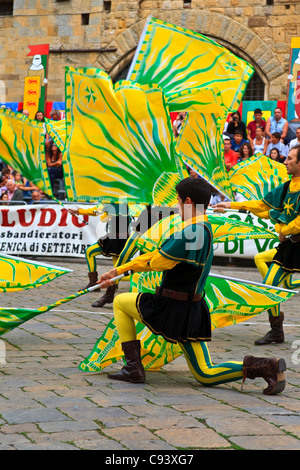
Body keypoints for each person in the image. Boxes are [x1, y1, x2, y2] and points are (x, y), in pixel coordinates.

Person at [98, 177, 286, 395]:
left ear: (187, 201)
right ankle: (267, 367)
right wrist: (118, 271)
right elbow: (161, 257)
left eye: (178, 201)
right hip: (193, 309)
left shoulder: (190, 232)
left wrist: (124, 269)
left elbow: (158, 262)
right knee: (205, 373)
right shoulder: (202, 228)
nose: (177, 206)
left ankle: (133, 367)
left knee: (120, 302)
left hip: (172, 308)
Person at [213, 144, 300, 347]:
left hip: (291, 241)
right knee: (269, 286)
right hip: (290, 246)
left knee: (270, 284)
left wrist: (283, 230)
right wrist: (230, 205)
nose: (285, 162)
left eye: (289, 159)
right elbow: (262, 206)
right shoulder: (287, 187)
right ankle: (276, 331)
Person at [69, 204, 133, 307]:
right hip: (111, 238)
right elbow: (98, 209)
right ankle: (93, 283)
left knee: (118, 270)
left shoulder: (124, 200)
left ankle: (110, 294)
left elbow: (99, 209)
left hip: (122, 240)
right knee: (90, 251)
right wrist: (79, 212)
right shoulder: (111, 200)